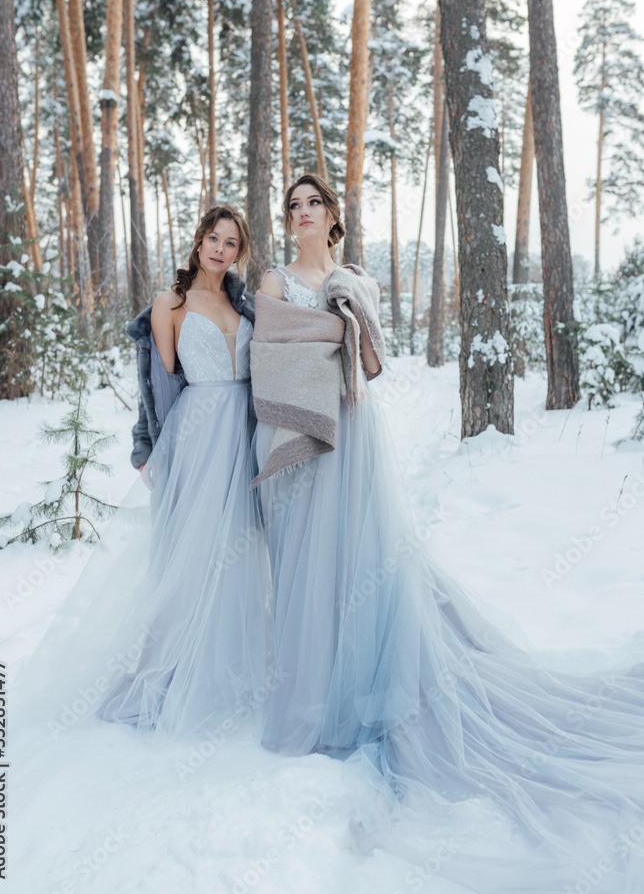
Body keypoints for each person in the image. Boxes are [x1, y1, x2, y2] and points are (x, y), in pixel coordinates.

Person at [250, 173, 644, 892]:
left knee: (363, 555)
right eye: (294, 206)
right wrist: (327, 334)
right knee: (311, 561)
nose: (303, 213)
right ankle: (315, 680)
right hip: (302, 431)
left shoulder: (354, 277)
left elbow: (370, 355)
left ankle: (358, 685)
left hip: (356, 429)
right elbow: (269, 351)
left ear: (333, 216)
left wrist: (339, 330)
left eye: (314, 204)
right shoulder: (274, 279)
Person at [16, 205, 272, 741]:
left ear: (239, 251)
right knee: (192, 549)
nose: (221, 249)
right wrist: (148, 447)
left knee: (239, 550)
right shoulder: (170, 303)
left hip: (244, 436)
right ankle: (170, 668)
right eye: (213, 238)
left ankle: (226, 665)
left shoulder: (245, 304)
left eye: (231, 242)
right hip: (197, 436)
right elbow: (157, 386)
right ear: (198, 241)